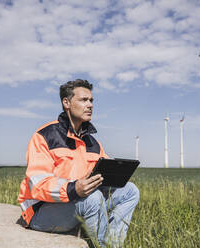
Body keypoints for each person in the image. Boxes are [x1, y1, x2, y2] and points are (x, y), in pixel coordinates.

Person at [17, 79, 139, 247]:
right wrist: (74, 188)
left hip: (78, 202)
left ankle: (113, 244)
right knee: (93, 198)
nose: (90, 105)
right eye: (83, 100)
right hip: (42, 212)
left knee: (130, 191)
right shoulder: (44, 136)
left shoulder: (93, 142)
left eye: (91, 101)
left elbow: (103, 169)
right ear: (66, 103)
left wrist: (117, 174)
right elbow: (37, 183)